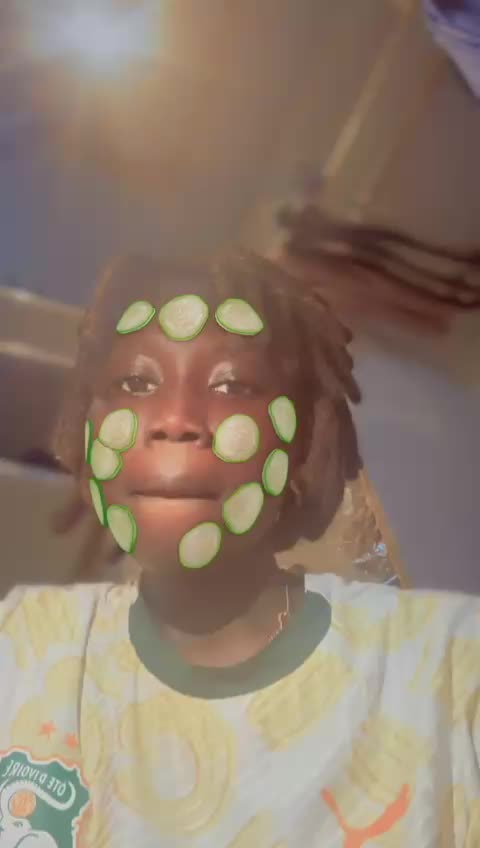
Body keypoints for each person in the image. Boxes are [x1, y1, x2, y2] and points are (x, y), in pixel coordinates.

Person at [0, 251, 478, 847]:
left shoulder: (448, 672)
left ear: (303, 440)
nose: (174, 419)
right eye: (135, 383)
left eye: (231, 385)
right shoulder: (21, 643)